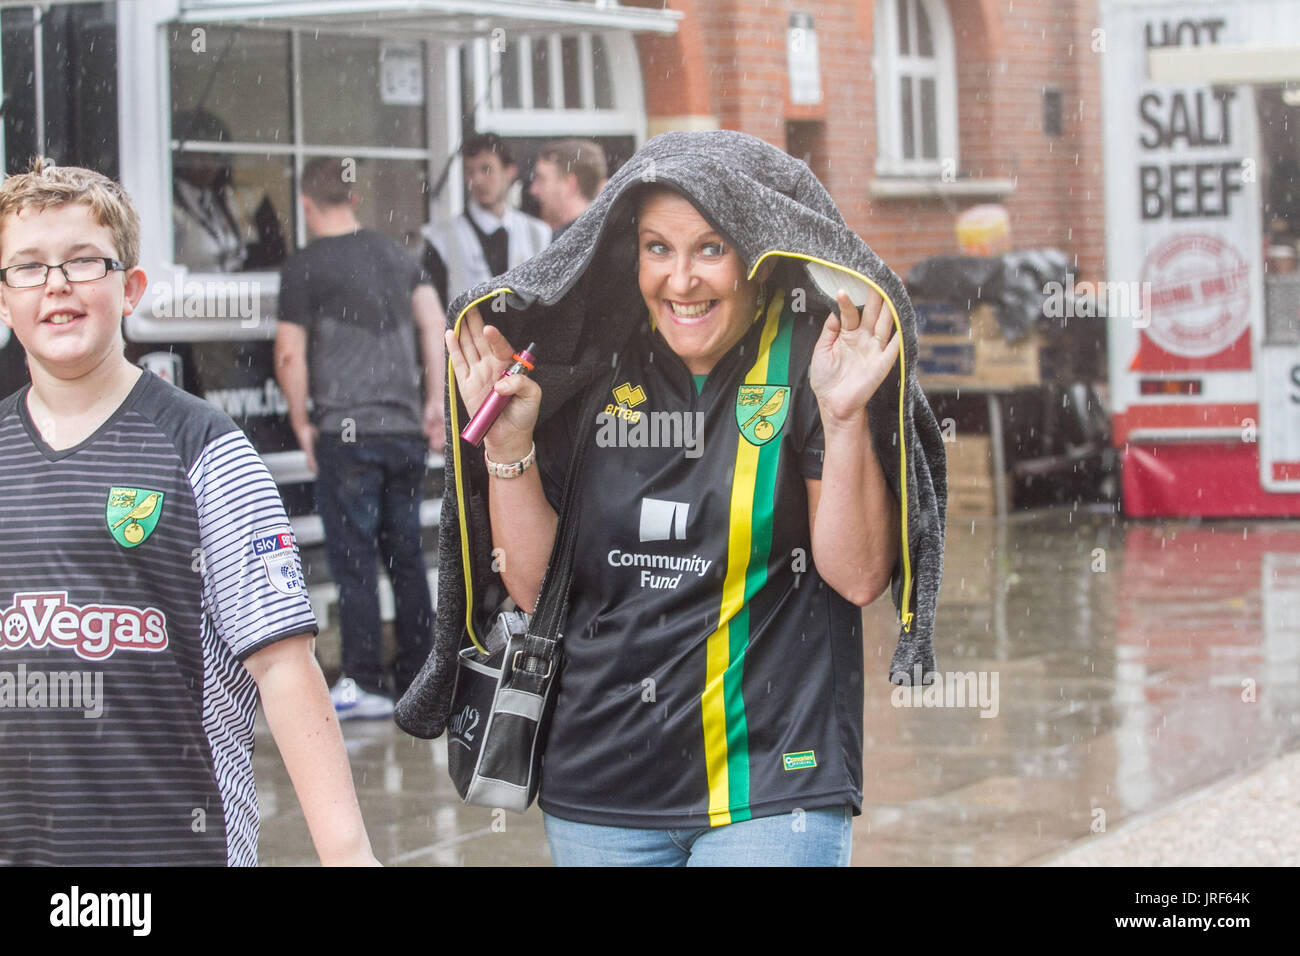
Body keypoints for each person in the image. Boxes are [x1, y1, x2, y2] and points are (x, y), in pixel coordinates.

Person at [396, 131, 948, 866]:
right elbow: (538, 590)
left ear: (755, 252)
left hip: (770, 785)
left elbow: (857, 576)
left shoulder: (810, 358)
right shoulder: (589, 365)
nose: (680, 280)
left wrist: (845, 420)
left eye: (709, 249)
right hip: (599, 790)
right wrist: (507, 448)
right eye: (658, 249)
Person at [0, 159, 377, 866]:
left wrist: (347, 852)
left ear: (131, 287)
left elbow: (284, 667)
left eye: (85, 262)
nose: (56, 284)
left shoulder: (205, 449)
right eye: (28, 267)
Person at [275, 157, 444, 720]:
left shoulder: (305, 265)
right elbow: (433, 322)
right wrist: (435, 405)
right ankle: (422, 677)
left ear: (305, 204)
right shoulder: (398, 255)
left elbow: (290, 352)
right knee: (406, 556)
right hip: (402, 431)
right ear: (352, 197)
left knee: (353, 560)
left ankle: (365, 680)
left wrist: (300, 419)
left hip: (346, 434)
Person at [421, 133, 551, 308]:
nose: (477, 180)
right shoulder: (440, 238)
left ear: (510, 171)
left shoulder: (539, 233)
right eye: (470, 171)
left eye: (486, 169)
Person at [528, 138, 607, 239]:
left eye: (541, 179)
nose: (533, 189)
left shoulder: (561, 244)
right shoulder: (605, 234)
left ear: (570, 185)